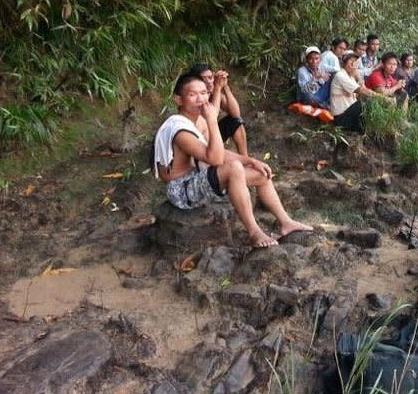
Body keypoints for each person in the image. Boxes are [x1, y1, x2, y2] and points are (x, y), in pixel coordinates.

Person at [153, 73, 313, 248]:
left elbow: (218, 152)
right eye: (192, 95)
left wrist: (250, 160)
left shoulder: (195, 121)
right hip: (180, 190)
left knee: (260, 173)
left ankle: (286, 222)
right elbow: (215, 159)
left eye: (204, 93)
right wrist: (212, 121)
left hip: (195, 178)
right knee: (234, 168)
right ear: (178, 100)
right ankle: (254, 232)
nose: (201, 99)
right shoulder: (180, 129)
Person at [188, 63, 248, 157]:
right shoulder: (196, 95)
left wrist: (225, 86)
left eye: (211, 77)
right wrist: (217, 88)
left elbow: (236, 114)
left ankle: (245, 158)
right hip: (198, 139)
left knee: (235, 121)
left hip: (212, 133)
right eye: (204, 79)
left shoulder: (213, 92)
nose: (209, 81)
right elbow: (212, 116)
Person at [330, 51, 383, 132]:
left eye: (355, 62)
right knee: (366, 101)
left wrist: (359, 77)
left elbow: (363, 91)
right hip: (341, 118)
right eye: (350, 61)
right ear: (343, 63)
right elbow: (363, 91)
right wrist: (383, 98)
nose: (353, 64)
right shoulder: (340, 75)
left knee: (369, 101)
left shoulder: (350, 77)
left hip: (349, 114)